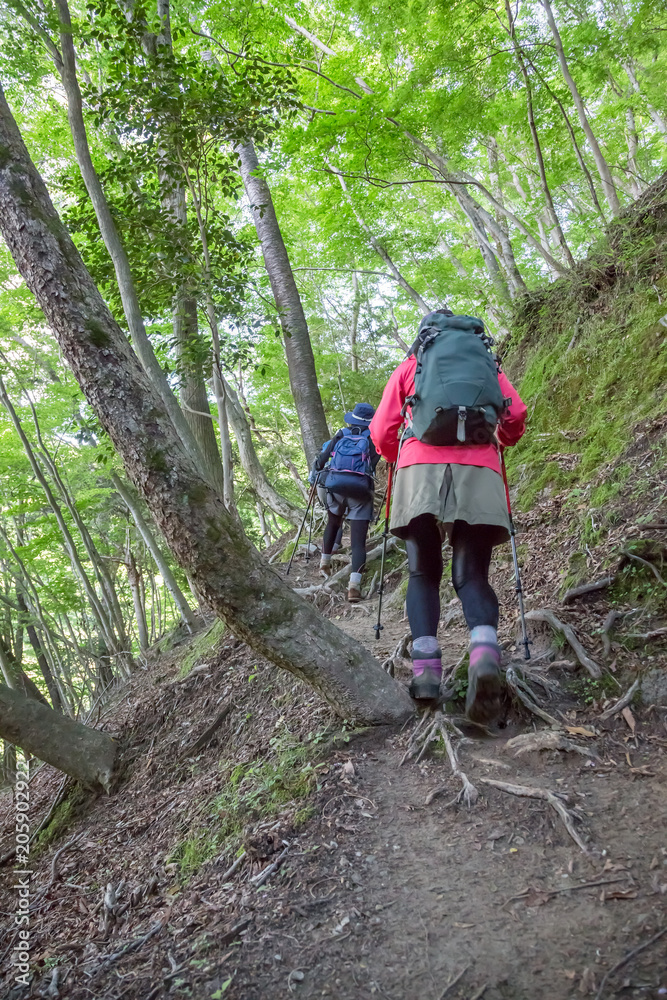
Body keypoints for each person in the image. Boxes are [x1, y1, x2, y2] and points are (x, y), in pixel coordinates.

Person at [370, 310, 527, 723]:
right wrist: (503, 439)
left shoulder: (412, 366)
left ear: (423, 336)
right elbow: (515, 416)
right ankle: (484, 650)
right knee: (472, 574)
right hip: (480, 471)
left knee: (423, 571)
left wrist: (396, 459)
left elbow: (382, 428)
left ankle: (425, 672)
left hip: (417, 471)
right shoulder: (488, 365)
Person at [310, 403, 379, 603]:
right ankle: (353, 588)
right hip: (360, 491)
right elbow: (373, 464)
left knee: (333, 523)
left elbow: (321, 461)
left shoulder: (341, 434)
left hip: (336, 487)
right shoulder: (372, 439)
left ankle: (324, 563)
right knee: (358, 542)